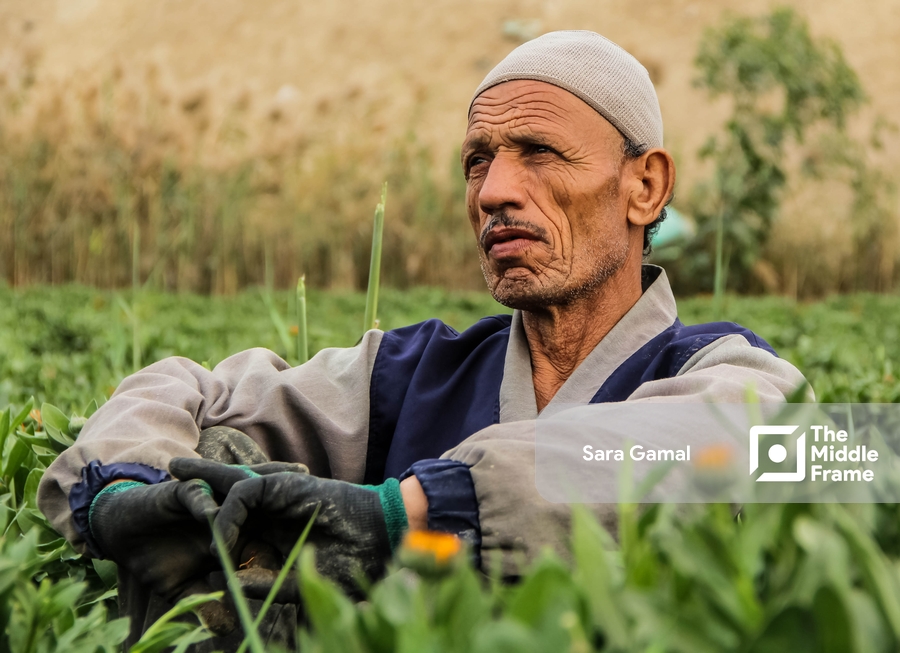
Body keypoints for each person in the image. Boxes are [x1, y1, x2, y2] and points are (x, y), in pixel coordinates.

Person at [37, 30, 807, 643]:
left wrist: (406, 513)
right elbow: (183, 388)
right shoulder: (410, 374)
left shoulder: (728, 371)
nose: (494, 191)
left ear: (646, 185)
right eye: (478, 161)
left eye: (539, 152)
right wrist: (122, 490)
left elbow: (760, 443)